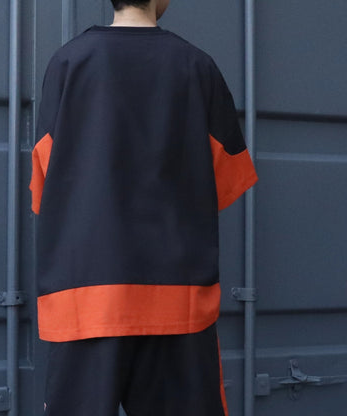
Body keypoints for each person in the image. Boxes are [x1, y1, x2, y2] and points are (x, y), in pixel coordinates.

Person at [29, 0, 258, 415]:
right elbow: (227, 179)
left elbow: (44, 186)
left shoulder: (67, 63)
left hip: (84, 298)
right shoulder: (197, 66)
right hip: (176, 299)